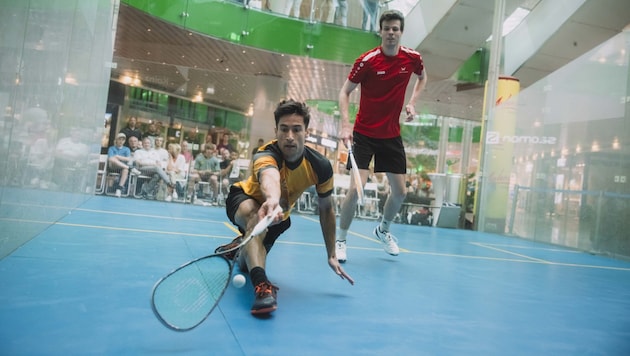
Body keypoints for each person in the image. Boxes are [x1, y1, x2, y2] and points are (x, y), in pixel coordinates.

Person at [214, 99, 353, 315]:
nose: (289, 136)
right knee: (255, 217)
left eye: (296, 130)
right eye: (284, 129)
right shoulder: (265, 154)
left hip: (279, 219)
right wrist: (272, 200)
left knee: (245, 264)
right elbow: (270, 177)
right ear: (276, 130)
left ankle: (240, 247)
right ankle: (262, 287)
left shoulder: (321, 166)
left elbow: (326, 209)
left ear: (306, 132)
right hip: (245, 200)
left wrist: (332, 254)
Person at [336, 10, 427, 262]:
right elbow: (344, 93)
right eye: (386, 28)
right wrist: (346, 126)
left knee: (400, 193)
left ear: (401, 32)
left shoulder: (412, 58)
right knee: (356, 189)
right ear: (380, 31)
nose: (390, 33)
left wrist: (412, 103)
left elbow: (422, 78)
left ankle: (383, 230)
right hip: (364, 134)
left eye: (395, 29)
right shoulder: (367, 61)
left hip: (391, 135)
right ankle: (341, 240)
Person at [107, 133, 133, 197]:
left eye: (123, 140)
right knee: (112, 159)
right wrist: (120, 158)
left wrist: (117, 156)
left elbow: (128, 159)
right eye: (119, 139)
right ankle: (128, 167)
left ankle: (119, 189)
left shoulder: (127, 149)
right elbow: (111, 158)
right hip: (113, 166)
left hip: (122, 167)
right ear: (116, 140)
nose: (121, 141)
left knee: (125, 170)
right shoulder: (111, 148)